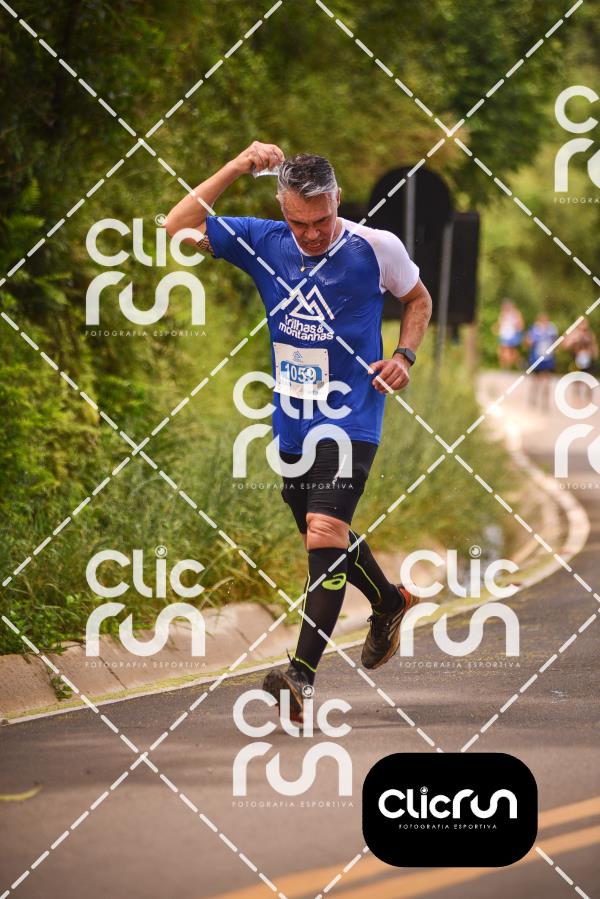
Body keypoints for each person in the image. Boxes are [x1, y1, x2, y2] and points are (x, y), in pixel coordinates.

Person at [165, 142, 432, 721]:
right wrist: (238, 165)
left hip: (353, 414)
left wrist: (404, 356)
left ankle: (300, 676)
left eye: (322, 220)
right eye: (298, 222)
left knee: (325, 530)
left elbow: (418, 299)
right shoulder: (263, 241)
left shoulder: (375, 247)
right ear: (282, 209)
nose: (311, 234)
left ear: (338, 201)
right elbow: (177, 225)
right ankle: (389, 601)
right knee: (323, 543)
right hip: (291, 420)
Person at [526, 312, 558, 410]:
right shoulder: (535, 329)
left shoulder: (552, 330)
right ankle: (533, 399)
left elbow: (556, 342)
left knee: (546, 381)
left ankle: (545, 402)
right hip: (536, 358)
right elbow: (528, 342)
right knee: (535, 380)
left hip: (547, 359)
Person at [562, 319, 598, 404]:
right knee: (577, 380)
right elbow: (565, 345)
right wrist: (575, 339)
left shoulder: (589, 334)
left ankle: (588, 401)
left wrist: (594, 353)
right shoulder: (574, 334)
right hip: (576, 359)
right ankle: (576, 400)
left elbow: (594, 346)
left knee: (589, 380)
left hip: (588, 360)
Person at [495, 299, 524, 370]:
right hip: (504, 335)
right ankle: (517, 363)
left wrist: (517, 329)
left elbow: (520, 325)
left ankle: (509, 367)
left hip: (511, 335)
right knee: (502, 352)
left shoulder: (515, 314)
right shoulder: (502, 314)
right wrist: (497, 328)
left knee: (508, 352)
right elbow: (500, 324)